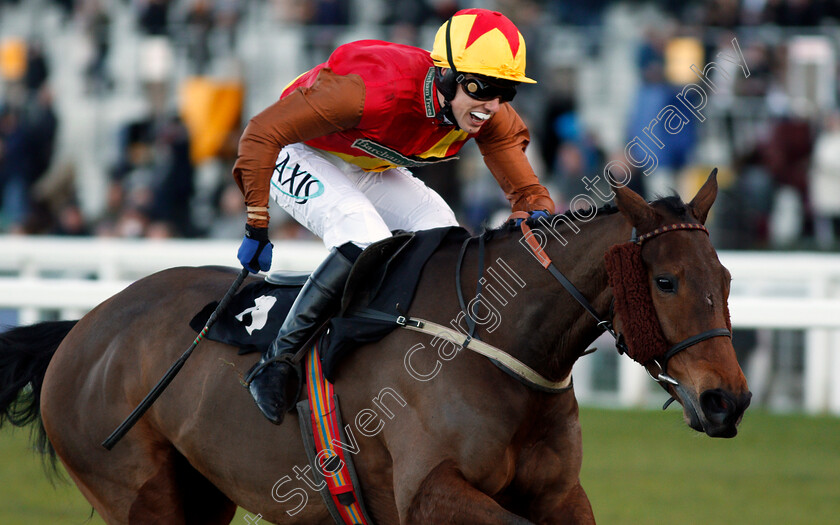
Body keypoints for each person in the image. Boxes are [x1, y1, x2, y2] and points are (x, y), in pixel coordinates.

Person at [233, 8, 555, 424]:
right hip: (296, 149)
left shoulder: (488, 114)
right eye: (482, 87)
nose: (491, 105)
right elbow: (261, 133)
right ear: (446, 76)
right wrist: (256, 224)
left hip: (364, 161)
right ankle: (279, 362)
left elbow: (529, 196)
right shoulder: (371, 91)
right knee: (362, 232)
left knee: (444, 235)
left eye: (505, 91)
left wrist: (536, 224)